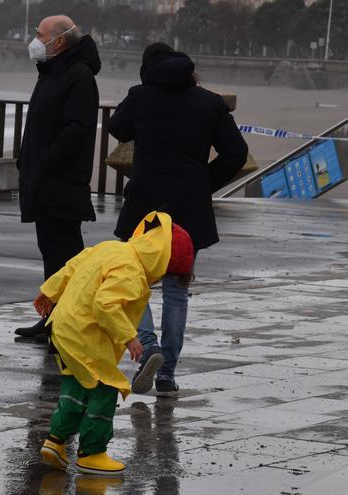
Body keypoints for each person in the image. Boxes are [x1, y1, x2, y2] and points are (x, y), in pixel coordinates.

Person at [108, 43, 249, 396]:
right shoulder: (209, 102)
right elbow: (236, 153)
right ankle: (167, 374)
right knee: (176, 291)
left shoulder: (141, 96)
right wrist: (204, 183)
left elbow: (117, 128)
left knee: (133, 284)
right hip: (188, 210)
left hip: (145, 208)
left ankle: (147, 348)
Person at [34, 211, 195, 475]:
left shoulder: (112, 248)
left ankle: (55, 442)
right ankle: (92, 454)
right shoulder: (132, 273)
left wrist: (49, 291)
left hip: (63, 326)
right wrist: (128, 337)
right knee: (106, 387)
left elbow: (74, 265)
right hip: (86, 334)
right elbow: (105, 304)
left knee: (77, 384)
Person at [14, 15, 101, 342]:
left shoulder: (78, 76)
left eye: (40, 35)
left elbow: (77, 129)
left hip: (61, 183)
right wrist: (27, 161)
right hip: (44, 181)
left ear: (59, 41)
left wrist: (46, 160)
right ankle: (51, 319)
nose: (34, 40)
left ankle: (67, 326)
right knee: (51, 254)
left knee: (65, 257)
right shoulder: (52, 72)